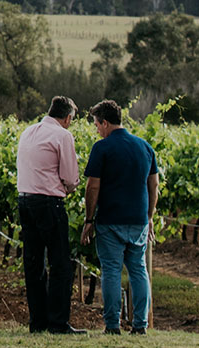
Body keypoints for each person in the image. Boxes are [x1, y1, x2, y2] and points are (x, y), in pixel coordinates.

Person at [78, 100, 160, 335]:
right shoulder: (145, 147)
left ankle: (112, 325)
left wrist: (89, 219)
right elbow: (153, 184)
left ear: (105, 122)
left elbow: (92, 187)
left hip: (110, 220)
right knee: (138, 270)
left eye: (96, 124)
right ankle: (140, 325)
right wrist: (150, 216)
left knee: (112, 270)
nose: (97, 130)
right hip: (138, 220)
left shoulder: (102, 148)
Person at [15, 96, 84, 334]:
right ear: (67, 118)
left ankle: (38, 322)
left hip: (24, 200)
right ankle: (58, 323)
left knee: (34, 264)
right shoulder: (63, 136)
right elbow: (70, 178)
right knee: (60, 263)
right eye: (71, 120)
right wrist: (69, 187)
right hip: (48, 203)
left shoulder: (28, 132)